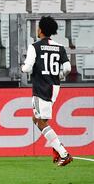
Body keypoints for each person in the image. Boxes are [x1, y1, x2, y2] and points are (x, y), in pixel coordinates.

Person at [21, 16, 72, 167]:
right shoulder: (60, 47)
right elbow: (68, 68)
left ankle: (63, 152)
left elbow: (28, 67)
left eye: (38, 27)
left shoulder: (34, 46)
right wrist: (60, 75)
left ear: (41, 30)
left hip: (41, 86)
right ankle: (56, 149)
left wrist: (23, 68)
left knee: (40, 120)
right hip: (54, 87)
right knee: (37, 119)